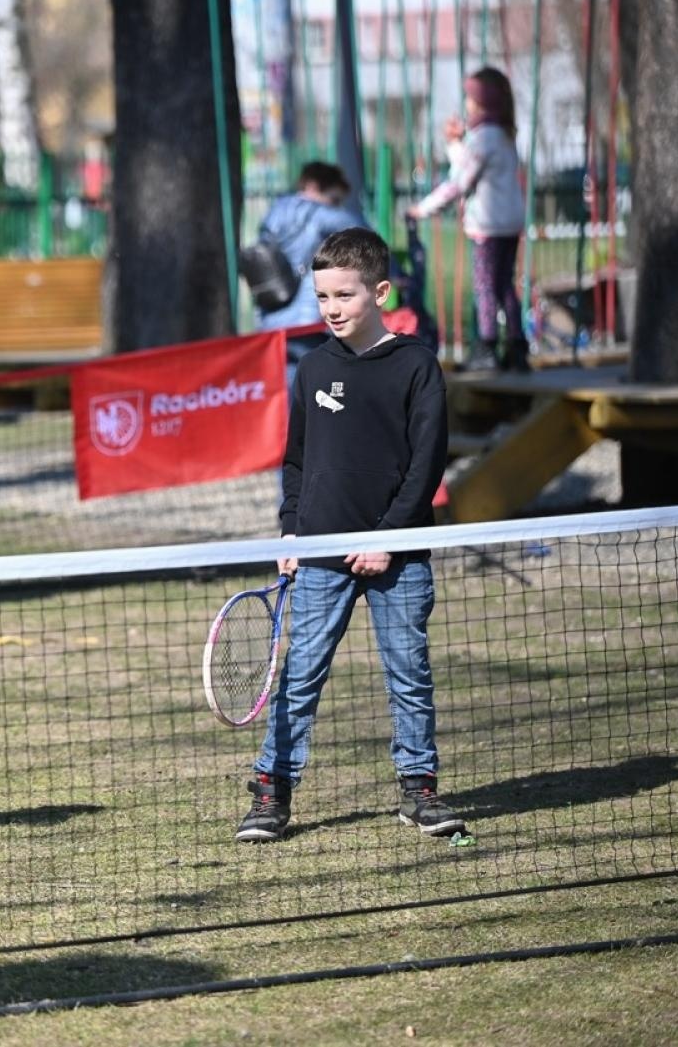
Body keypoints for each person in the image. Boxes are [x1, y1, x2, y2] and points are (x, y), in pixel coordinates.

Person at [237, 228, 461, 844]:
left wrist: (386, 537)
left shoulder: (416, 366)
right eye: (322, 297)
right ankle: (270, 794)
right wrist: (290, 534)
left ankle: (419, 791)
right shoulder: (311, 367)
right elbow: (297, 463)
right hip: (321, 554)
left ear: (380, 291)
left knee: (408, 674)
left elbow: (426, 467)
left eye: (344, 295)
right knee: (301, 673)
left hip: (399, 553)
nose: (332, 308)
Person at [408, 66, 530, 373]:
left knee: (485, 287)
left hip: (487, 225)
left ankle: (487, 347)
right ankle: (516, 347)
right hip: (509, 222)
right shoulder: (502, 133)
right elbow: (470, 166)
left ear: (480, 102)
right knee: (504, 286)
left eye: (469, 98)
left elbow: (459, 183)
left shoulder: (483, 136)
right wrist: (454, 144)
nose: (466, 105)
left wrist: (423, 208)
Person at [254, 162, 367, 379]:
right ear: (314, 186)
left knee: (287, 381)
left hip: (271, 317)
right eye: (334, 200)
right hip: (308, 320)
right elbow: (366, 237)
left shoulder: (274, 212)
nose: (336, 207)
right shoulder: (322, 214)